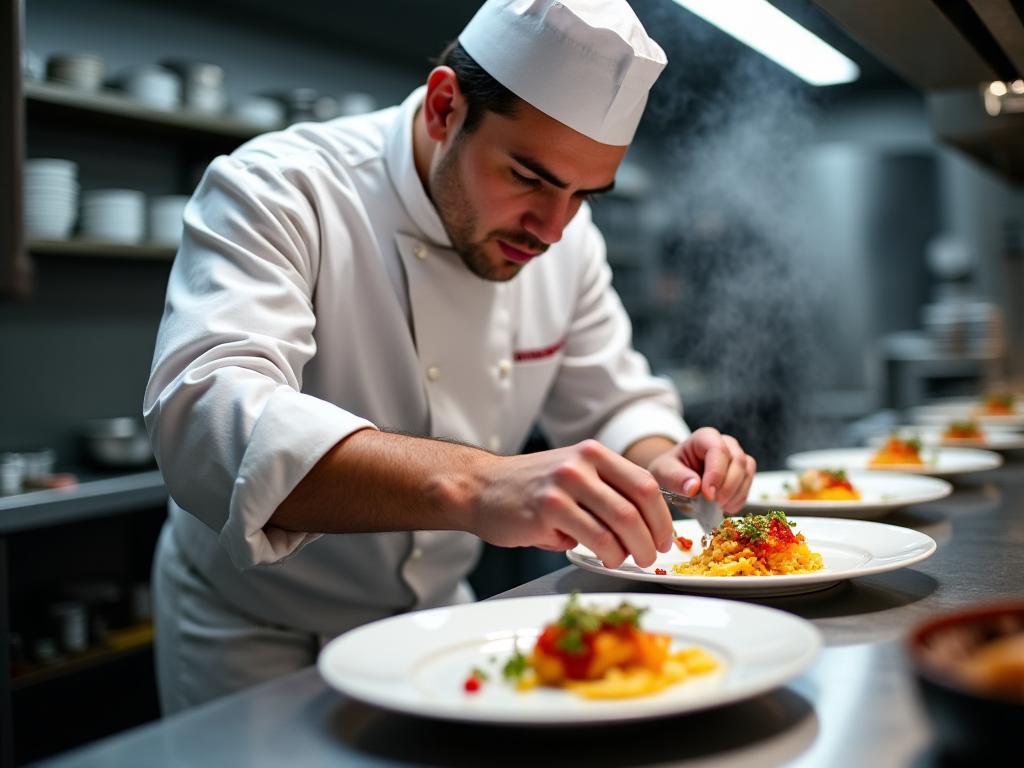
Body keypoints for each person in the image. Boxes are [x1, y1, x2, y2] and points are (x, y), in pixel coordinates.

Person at [144, 0, 756, 715]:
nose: (553, 229)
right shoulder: (284, 187)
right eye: (529, 176)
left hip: (437, 624)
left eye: (583, 196)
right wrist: (478, 486)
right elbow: (206, 418)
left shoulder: (567, 242)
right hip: (253, 638)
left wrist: (664, 461)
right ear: (444, 108)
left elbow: (613, 400)